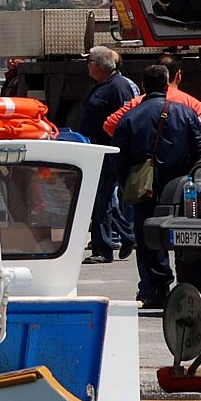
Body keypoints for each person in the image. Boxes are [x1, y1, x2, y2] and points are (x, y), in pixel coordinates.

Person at [111, 64, 201, 310]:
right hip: (179, 187)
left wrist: (126, 186)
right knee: (188, 234)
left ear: (143, 86)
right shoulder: (186, 112)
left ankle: (154, 288)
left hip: (145, 187)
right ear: (168, 84)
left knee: (147, 237)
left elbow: (119, 157)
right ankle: (192, 285)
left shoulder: (130, 115)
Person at [78, 46, 139, 264]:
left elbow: (125, 120)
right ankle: (127, 235)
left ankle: (103, 249)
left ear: (98, 65)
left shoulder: (118, 87)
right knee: (103, 199)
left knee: (101, 200)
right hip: (96, 151)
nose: (87, 65)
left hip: (109, 152)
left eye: (89, 61)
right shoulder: (101, 85)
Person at [103, 54, 201, 153]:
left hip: (146, 169)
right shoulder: (192, 103)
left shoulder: (138, 102)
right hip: (180, 168)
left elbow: (110, 125)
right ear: (178, 75)